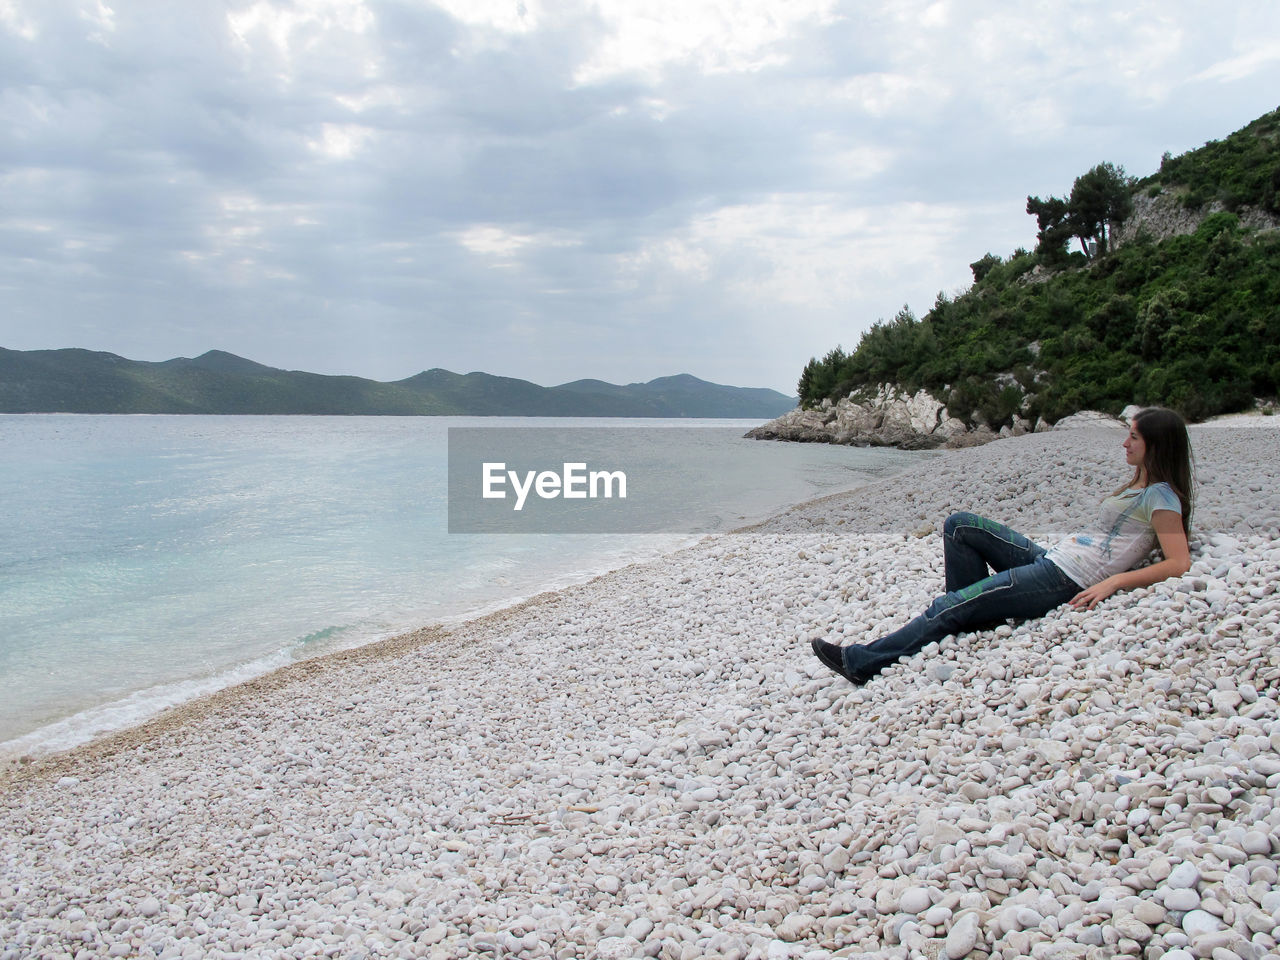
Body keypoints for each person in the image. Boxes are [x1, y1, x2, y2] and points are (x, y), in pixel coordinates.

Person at [812, 407, 1194, 685]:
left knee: (948, 605)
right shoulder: (1141, 484)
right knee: (959, 525)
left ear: (1156, 446)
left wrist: (1113, 583)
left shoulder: (1161, 496)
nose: (1124, 443)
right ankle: (972, 612)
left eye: (1134, 437)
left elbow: (1179, 562)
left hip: (1064, 578)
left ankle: (861, 663)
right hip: (1053, 559)